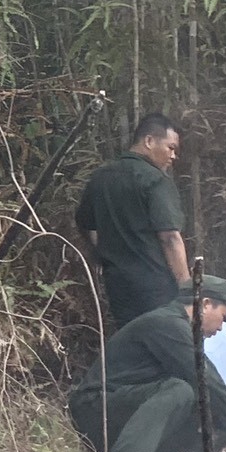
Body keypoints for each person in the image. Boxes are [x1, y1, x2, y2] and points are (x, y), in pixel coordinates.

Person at [67, 284, 226, 452]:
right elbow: (208, 381)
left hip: (127, 413)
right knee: (181, 390)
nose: (220, 328)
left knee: (220, 411)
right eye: (223, 318)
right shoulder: (166, 324)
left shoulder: (176, 325)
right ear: (206, 304)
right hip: (95, 411)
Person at [74, 112, 192, 331]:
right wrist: (187, 290)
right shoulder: (155, 180)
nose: (174, 156)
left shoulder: (101, 178)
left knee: (133, 346)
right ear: (149, 141)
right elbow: (170, 238)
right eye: (171, 147)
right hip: (156, 288)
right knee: (164, 346)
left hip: (118, 287)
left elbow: (85, 223)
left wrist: (99, 254)